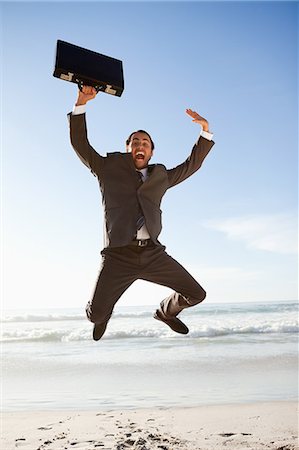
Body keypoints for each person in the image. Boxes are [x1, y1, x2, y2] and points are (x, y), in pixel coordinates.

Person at [68, 86, 215, 341]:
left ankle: (165, 313)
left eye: (145, 143)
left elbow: (192, 165)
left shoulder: (161, 176)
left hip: (153, 254)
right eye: (135, 141)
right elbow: (81, 144)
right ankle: (104, 314)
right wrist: (81, 103)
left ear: (151, 152)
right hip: (118, 255)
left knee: (196, 294)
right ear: (127, 148)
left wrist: (205, 131)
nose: (140, 145)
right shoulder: (107, 168)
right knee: (95, 315)